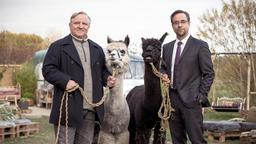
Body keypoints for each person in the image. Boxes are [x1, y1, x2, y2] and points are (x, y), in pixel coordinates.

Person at [42, 11, 116, 144]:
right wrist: (65, 81)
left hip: (91, 109)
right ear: (70, 25)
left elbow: (102, 72)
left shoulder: (97, 48)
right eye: (77, 23)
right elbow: (48, 70)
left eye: (84, 23)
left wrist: (108, 79)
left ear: (89, 26)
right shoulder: (58, 46)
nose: (81, 26)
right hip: (67, 108)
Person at [161, 10, 215, 144]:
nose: (179, 25)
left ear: (189, 23)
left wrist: (201, 96)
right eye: (176, 22)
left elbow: (209, 73)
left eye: (183, 22)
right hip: (172, 101)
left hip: (192, 101)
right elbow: (163, 68)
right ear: (172, 25)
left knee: (197, 140)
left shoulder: (200, 45)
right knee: (177, 140)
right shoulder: (167, 47)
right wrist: (164, 75)